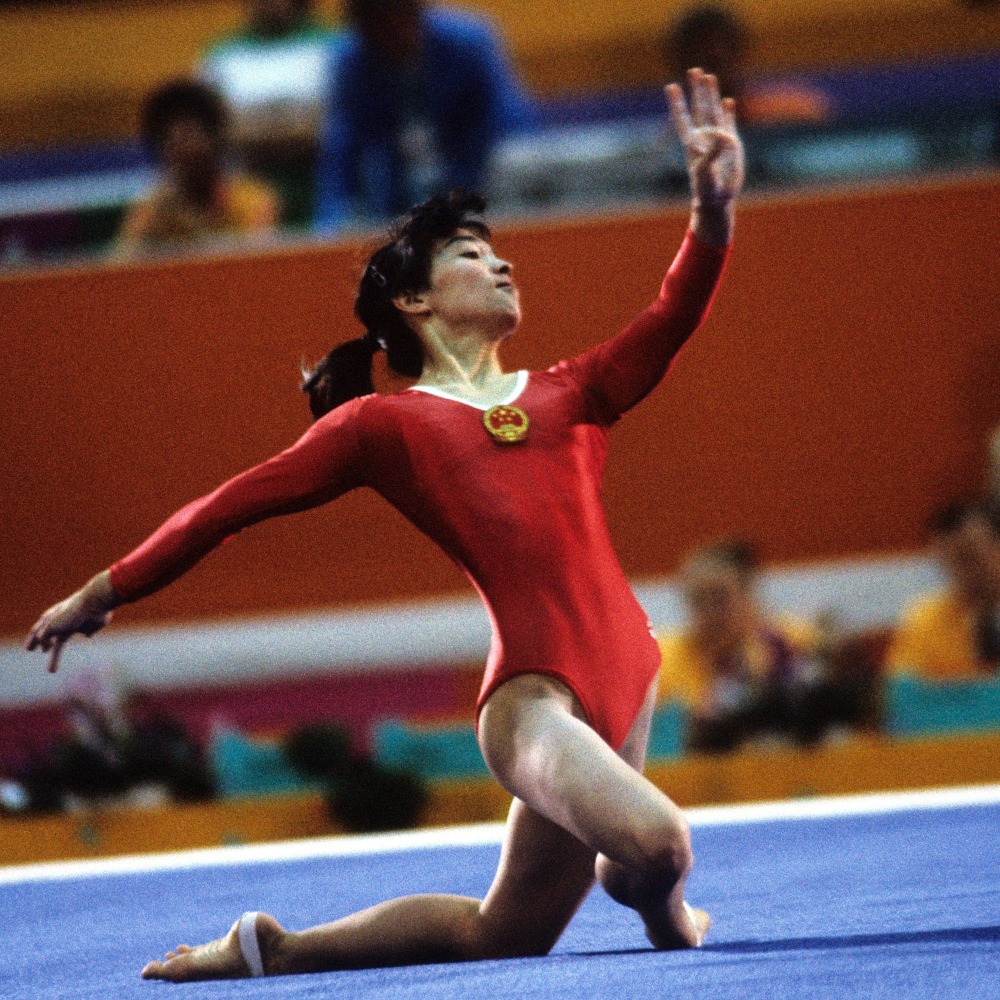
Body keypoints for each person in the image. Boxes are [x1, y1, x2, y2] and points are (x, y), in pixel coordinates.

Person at [27, 69, 743, 981]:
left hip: (628, 673)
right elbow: (229, 507)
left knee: (506, 935)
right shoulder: (382, 426)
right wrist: (104, 589)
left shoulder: (573, 391)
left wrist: (711, 210)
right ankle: (659, 898)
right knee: (660, 844)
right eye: (472, 255)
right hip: (535, 701)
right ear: (415, 300)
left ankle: (274, 947)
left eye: (499, 255)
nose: (503, 265)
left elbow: (674, 314)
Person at [314, 0, 535, 229]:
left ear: (416, 17)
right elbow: (341, 152)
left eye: (398, 24)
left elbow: (509, 125)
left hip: (481, 185)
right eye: (379, 29)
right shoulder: (351, 61)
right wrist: (329, 228)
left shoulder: (468, 43)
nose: (393, 37)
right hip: (399, 198)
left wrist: (459, 201)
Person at [657, 540, 858, 751]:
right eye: (698, 601)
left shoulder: (792, 641)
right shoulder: (662, 658)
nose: (709, 612)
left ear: (748, 596)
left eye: (719, 598)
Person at [200, 0, 342, 228]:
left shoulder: (333, 45)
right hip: (248, 186)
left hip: (322, 182)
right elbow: (207, 128)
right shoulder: (222, 55)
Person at [116, 80, 280, 259]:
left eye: (188, 136)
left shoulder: (253, 201)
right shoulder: (154, 209)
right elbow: (121, 263)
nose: (180, 150)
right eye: (170, 141)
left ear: (215, 138)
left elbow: (253, 261)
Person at [663, 4, 830, 128]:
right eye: (699, 62)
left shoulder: (796, 112)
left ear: (739, 54)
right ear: (679, 66)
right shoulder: (675, 140)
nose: (709, 77)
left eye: (717, 60)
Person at [887, 501, 1000, 680]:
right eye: (950, 562)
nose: (964, 572)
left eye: (972, 557)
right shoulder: (926, 621)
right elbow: (904, 689)